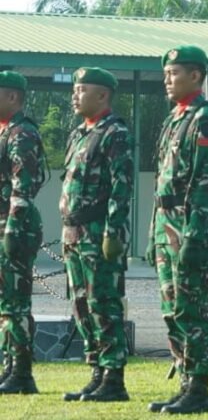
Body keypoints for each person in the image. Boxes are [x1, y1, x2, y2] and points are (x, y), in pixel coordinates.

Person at [146, 45, 208, 415]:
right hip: (166, 224)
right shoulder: (174, 118)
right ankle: (184, 381)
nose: (167, 80)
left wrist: (193, 233)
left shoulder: (204, 118)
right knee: (171, 309)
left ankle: (200, 387)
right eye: (166, 74)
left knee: (191, 308)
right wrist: (153, 232)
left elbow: (203, 182)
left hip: (189, 224)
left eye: (174, 73)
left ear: (196, 76)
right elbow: (162, 182)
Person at [60, 67, 133, 403]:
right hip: (74, 231)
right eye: (75, 89)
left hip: (97, 230)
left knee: (104, 304)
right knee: (81, 305)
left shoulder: (113, 132)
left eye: (82, 89)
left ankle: (114, 377)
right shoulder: (78, 134)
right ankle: (97, 372)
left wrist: (114, 231)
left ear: (102, 95)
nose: (75, 95)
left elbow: (122, 186)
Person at [0, 71, 46, 394]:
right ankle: (9, 366)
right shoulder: (4, 133)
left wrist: (13, 229)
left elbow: (24, 185)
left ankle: (22, 373)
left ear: (12, 97)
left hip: (14, 226)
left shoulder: (22, 133)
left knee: (15, 302)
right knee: (5, 304)